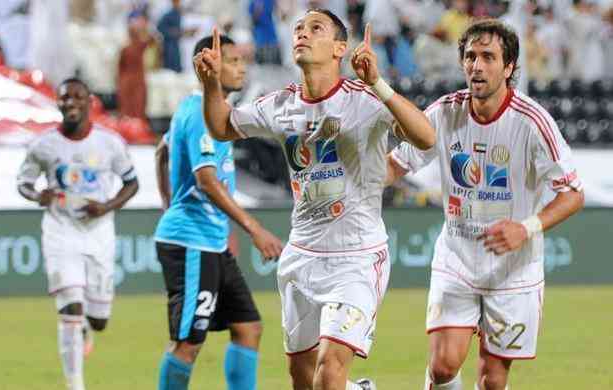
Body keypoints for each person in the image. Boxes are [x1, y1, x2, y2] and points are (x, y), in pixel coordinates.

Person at [194, 9, 435, 390]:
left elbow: (426, 137)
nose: (302, 34)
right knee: (302, 379)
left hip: (356, 257)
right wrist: (210, 85)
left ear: (340, 47)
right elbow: (223, 126)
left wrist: (379, 83)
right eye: (298, 28)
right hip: (301, 256)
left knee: (328, 374)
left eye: (315, 28)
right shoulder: (280, 105)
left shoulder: (365, 99)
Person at [386, 19, 585, 390]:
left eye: (488, 57)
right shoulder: (444, 112)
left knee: (492, 381)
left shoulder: (533, 122)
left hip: (513, 269)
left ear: (509, 67)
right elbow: (396, 163)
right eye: (470, 56)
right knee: (443, 367)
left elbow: (573, 194)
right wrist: (351, 184)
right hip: (457, 259)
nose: (476, 65)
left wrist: (525, 228)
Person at [154, 34, 283, 390]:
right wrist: (253, 228)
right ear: (207, 66)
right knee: (189, 343)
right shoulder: (198, 113)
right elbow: (207, 180)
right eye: (232, 60)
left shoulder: (207, 110)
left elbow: (161, 152)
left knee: (248, 327)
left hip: (210, 242)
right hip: (192, 243)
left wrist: (170, 203)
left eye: (242, 60)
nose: (241, 67)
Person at [16, 78, 139, 390]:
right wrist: (37, 195)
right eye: (64, 98)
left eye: (76, 97)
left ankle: (86, 326)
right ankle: (75, 385)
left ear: (89, 102)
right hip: (60, 232)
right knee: (70, 306)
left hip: (99, 235)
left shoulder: (109, 142)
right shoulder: (43, 144)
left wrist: (107, 206)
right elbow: (23, 182)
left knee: (99, 320)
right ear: (57, 104)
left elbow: (131, 183)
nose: (70, 102)